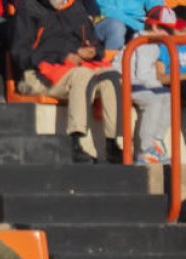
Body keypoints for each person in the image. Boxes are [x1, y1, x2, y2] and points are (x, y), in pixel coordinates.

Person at [12, 0, 121, 164]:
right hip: (39, 73)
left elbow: (94, 42)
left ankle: (113, 143)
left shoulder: (75, 6)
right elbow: (21, 55)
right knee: (82, 75)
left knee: (112, 76)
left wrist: (93, 51)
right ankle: (75, 144)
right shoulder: (29, 7)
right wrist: (63, 56)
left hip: (77, 66)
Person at [129, 6, 176, 164]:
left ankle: (156, 141)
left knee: (169, 96)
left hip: (140, 84)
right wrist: (159, 85)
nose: (170, 34)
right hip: (128, 83)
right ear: (155, 26)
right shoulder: (142, 41)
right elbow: (142, 76)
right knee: (154, 100)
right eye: (167, 30)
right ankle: (145, 149)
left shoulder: (155, 44)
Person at [95, 0, 161, 51]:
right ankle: (109, 65)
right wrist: (139, 30)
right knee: (117, 28)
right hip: (106, 24)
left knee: (163, 31)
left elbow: (159, 10)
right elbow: (107, 11)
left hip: (138, 28)